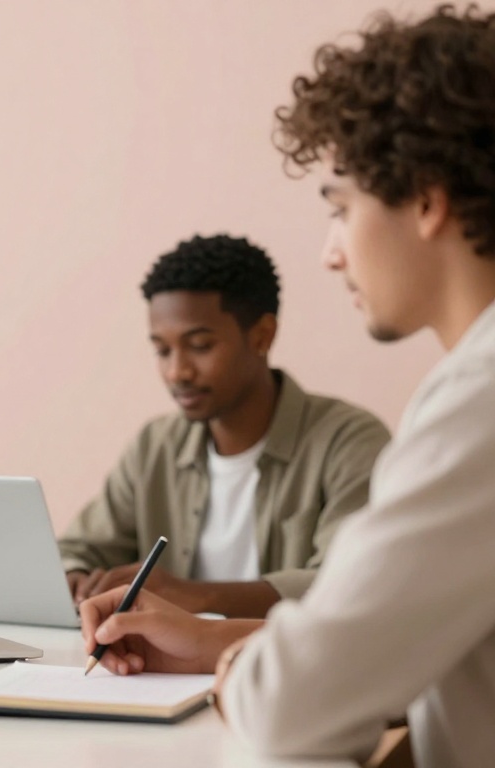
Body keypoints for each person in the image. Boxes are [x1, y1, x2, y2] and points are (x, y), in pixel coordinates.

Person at [80, 6, 495, 767]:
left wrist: (242, 662)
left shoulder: (478, 401)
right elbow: (391, 645)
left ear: (427, 201)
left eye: (342, 208)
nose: (333, 253)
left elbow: (293, 708)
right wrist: (212, 640)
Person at [59, 234, 390, 617]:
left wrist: (191, 596)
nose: (177, 372)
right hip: (161, 659)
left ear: (262, 336)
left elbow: (352, 583)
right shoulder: (155, 445)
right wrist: (74, 579)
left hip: (280, 656)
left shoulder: (350, 442)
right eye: (162, 350)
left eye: (200, 346)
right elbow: (77, 550)